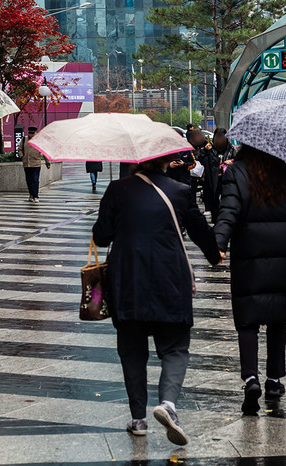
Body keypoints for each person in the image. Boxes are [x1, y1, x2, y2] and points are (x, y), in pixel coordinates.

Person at [93, 154, 221, 445]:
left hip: (128, 281)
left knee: (132, 350)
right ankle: (168, 405)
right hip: (170, 279)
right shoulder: (179, 191)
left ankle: (138, 419)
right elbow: (201, 229)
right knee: (175, 347)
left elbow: (102, 237)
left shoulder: (117, 189)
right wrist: (215, 255)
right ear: (166, 162)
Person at [214, 146, 286, 415]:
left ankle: (250, 378)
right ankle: (274, 379)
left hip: (250, 254)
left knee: (248, 320)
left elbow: (228, 211)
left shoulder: (237, 171)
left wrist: (218, 244)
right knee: (277, 318)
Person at [199, 128, 236, 222]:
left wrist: (231, 162)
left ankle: (225, 219)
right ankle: (216, 220)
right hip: (212, 179)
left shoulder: (231, 149)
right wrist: (206, 150)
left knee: (227, 199)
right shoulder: (210, 148)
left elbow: (237, 161)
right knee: (214, 200)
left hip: (226, 178)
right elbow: (201, 159)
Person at [19, 127, 51, 203]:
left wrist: (47, 162)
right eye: (30, 133)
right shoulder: (24, 139)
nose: (31, 135)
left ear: (36, 133)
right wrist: (22, 156)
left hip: (36, 163)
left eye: (33, 133)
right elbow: (20, 149)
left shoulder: (40, 141)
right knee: (29, 180)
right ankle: (31, 194)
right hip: (26, 163)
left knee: (35, 180)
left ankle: (36, 196)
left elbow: (44, 152)